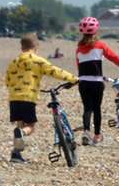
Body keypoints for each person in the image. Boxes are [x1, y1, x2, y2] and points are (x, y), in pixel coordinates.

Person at [4, 34, 75, 162]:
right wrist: (73, 79)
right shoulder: (37, 60)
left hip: (14, 98)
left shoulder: (14, 61)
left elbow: (8, 80)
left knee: (20, 124)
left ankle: (16, 154)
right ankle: (22, 133)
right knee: (30, 126)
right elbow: (55, 71)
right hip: (28, 97)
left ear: (21, 47)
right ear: (36, 46)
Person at [73, 18, 119, 144]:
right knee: (97, 108)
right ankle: (97, 135)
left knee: (87, 108)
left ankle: (86, 132)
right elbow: (113, 57)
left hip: (83, 82)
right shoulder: (100, 45)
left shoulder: (79, 48)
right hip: (96, 82)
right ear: (96, 31)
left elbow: (78, 65)